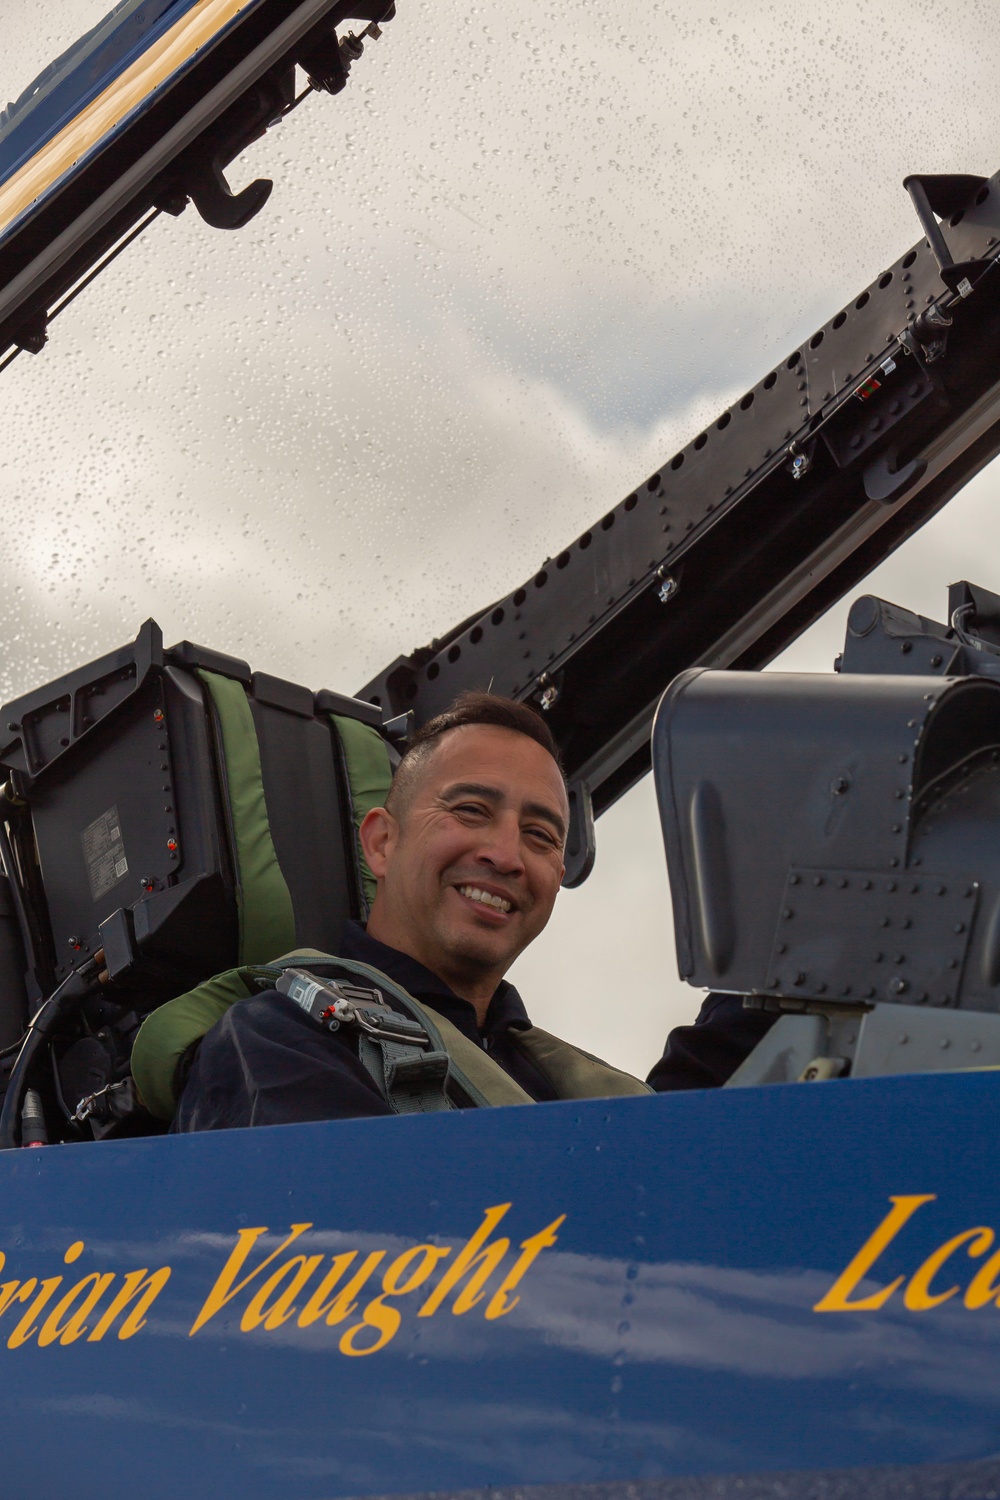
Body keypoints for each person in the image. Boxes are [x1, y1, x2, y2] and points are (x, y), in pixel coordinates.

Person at [173, 692, 767, 1130]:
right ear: (382, 843)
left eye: (540, 836)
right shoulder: (277, 1046)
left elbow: (691, 1126)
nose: (507, 855)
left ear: (557, 880)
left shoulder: (558, 1087)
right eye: (471, 811)